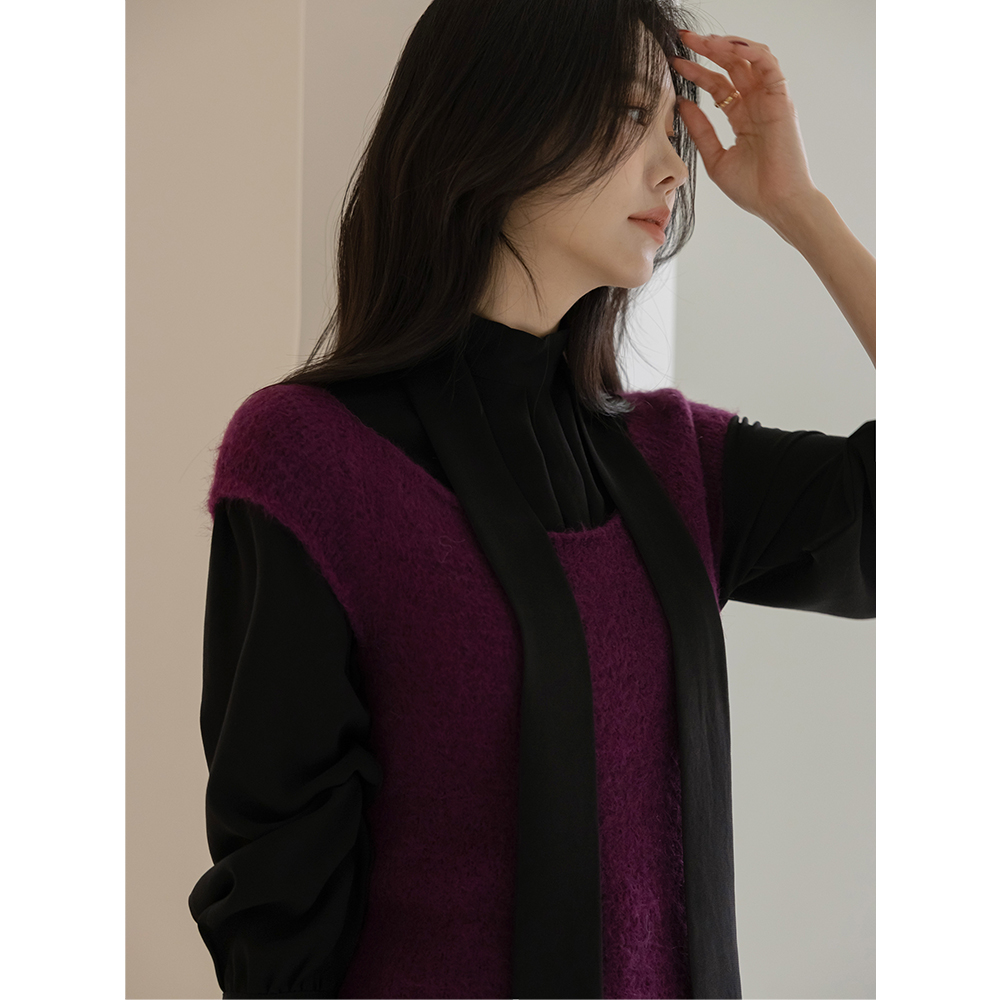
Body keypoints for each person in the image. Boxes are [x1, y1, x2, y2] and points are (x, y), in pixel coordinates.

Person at [188, 1, 874, 998]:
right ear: (501, 114)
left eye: (674, 132)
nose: (675, 169)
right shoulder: (308, 459)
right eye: (631, 116)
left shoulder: (674, 459)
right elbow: (279, 915)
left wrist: (801, 208)